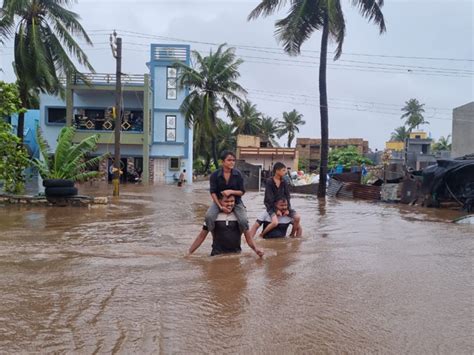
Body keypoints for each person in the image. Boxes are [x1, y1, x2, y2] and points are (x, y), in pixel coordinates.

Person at [189, 195, 264, 257]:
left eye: (232, 201)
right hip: (216, 256)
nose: (230, 204)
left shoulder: (241, 218)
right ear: (219, 202)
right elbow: (201, 237)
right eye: (226, 201)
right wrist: (189, 253)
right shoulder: (212, 217)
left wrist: (256, 250)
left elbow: (249, 238)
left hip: (235, 256)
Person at [204, 150, 252, 241]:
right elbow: (213, 192)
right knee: (209, 217)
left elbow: (242, 192)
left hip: (236, 202)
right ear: (223, 162)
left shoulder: (238, 174)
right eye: (229, 160)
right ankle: (215, 236)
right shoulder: (215, 175)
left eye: (233, 160)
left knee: (244, 221)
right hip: (219, 201)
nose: (232, 162)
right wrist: (220, 207)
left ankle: (237, 237)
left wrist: (231, 191)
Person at [262, 162, 301, 238]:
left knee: (297, 218)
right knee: (275, 222)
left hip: (284, 206)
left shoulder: (284, 182)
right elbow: (268, 199)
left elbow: (287, 197)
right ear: (277, 171)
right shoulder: (269, 182)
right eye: (283, 170)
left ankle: (292, 235)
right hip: (272, 207)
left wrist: (288, 209)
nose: (285, 172)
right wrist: (276, 210)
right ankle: (262, 235)